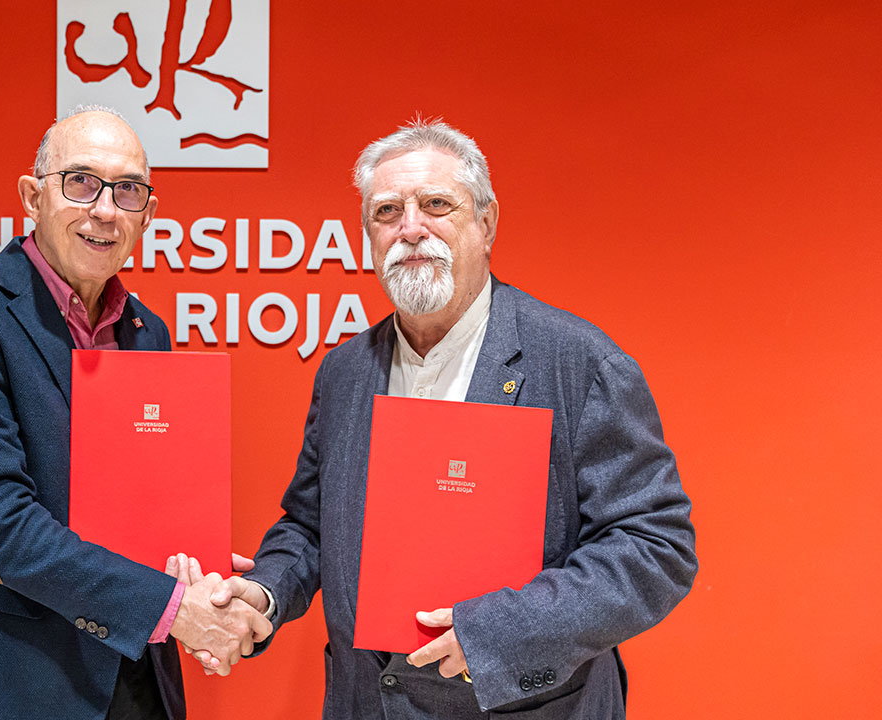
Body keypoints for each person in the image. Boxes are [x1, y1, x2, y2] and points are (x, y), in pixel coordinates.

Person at [200, 119, 697, 718]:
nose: (411, 229)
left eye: (436, 204)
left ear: (485, 224)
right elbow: (310, 525)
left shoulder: (580, 362)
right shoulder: (344, 373)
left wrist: (500, 632)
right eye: (387, 212)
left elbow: (655, 546)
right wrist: (264, 593)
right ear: (367, 237)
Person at [0, 107, 271, 720]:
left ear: (147, 214)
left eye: (127, 190)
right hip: (7, 679)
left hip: (133, 680)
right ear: (32, 196)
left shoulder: (146, 330)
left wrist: (191, 558)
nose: (104, 209)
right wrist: (177, 608)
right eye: (81, 182)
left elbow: (143, 505)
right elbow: (0, 526)